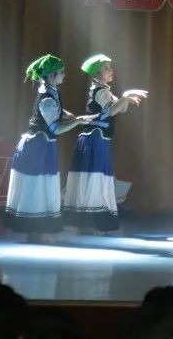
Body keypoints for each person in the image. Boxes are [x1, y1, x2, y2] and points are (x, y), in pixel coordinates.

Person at [4, 54, 94, 241]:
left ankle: (38, 231)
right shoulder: (47, 97)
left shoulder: (50, 90)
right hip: (37, 146)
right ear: (52, 75)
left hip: (43, 145)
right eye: (62, 72)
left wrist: (67, 115)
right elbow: (55, 128)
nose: (64, 75)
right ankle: (34, 232)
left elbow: (56, 112)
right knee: (36, 187)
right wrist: (77, 121)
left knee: (42, 187)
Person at [62, 54, 146, 232]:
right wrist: (125, 97)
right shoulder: (101, 91)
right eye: (106, 69)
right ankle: (88, 223)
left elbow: (121, 109)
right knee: (94, 178)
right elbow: (111, 111)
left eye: (110, 68)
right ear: (96, 74)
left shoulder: (103, 90)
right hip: (95, 138)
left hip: (97, 138)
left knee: (94, 179)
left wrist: (125, 97)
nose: (110, 71)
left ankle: (87, 223)